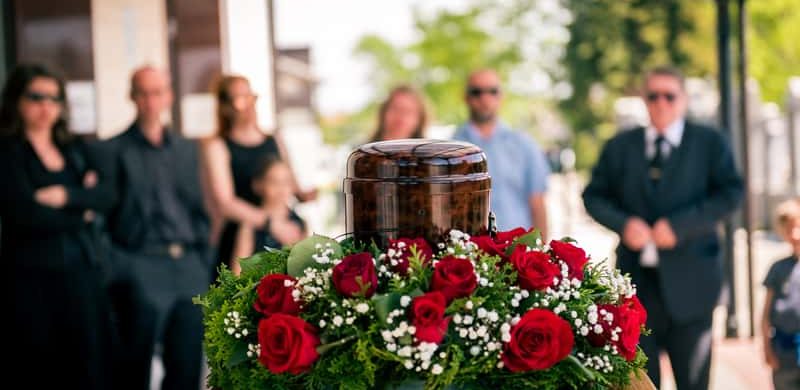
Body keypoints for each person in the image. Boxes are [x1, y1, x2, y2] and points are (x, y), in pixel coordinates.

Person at [582, 65, 744, 390]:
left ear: (683, 99)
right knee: (639, 384)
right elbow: (593, 196)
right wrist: (623, 223)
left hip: (694, 283)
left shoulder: (710, 142)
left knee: (694, 382)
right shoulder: (620, 146)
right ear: (644, 99)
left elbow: (731, 193)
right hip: (636, 289)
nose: (661, 103)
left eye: (669, 96)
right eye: (653, 95)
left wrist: (681, 227)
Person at [0, 64, 114, 389]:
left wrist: (66, 195)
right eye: (36, 97)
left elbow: (107, 195)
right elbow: (25, 214)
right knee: (39, 367)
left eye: (54, 98)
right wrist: (82, 209)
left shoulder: (74, 148)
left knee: (88, 365)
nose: (45, 106)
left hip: (82, 273)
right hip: (30, 279)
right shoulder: (8, 152)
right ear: (17, 101)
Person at [102, 66, 210, 390]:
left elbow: (198, 207)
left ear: (169, 95)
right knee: (133, 368)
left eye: (158, 92)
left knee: (187, 366)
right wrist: (120, 265)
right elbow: (104, 216)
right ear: (132, 97)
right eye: (143, 93)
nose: (151, 101)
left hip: (189, 265)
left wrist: (203, 261)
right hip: (140, 265)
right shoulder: (112, 150)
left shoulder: (186, 149)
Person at [201, 75, 314, 281]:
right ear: (226, 106)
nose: (249, 105)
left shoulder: (274, 139)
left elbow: (292, 183)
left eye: (251, 97)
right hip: (244, 232)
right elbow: (226, 203)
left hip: (283, 225)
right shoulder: (218, 145)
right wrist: (272, 225)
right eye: (240, 99)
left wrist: (304, 194)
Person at [453, 69, 550, 238]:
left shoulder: (525, 145)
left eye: (493, 91)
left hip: (517, 252)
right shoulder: (451, 149)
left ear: (501, 97)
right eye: (477, 92)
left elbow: (537, 204)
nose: (485, 98)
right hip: (468, 252)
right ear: (466, 97)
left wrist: (542, 253)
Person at [231, 157, 307, 273]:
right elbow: (237, 271)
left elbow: (304, 265)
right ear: (258, 185)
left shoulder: (300, 223)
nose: (281, 189)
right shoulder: (250, 225)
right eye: (274, 182)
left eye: (286, 182)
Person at [761, 198, 800, 389]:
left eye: (797, 226)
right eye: (789, 228)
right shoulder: (778, 269)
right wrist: (766, 348)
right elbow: (766, 314)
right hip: (785, 350)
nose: (794, 234)